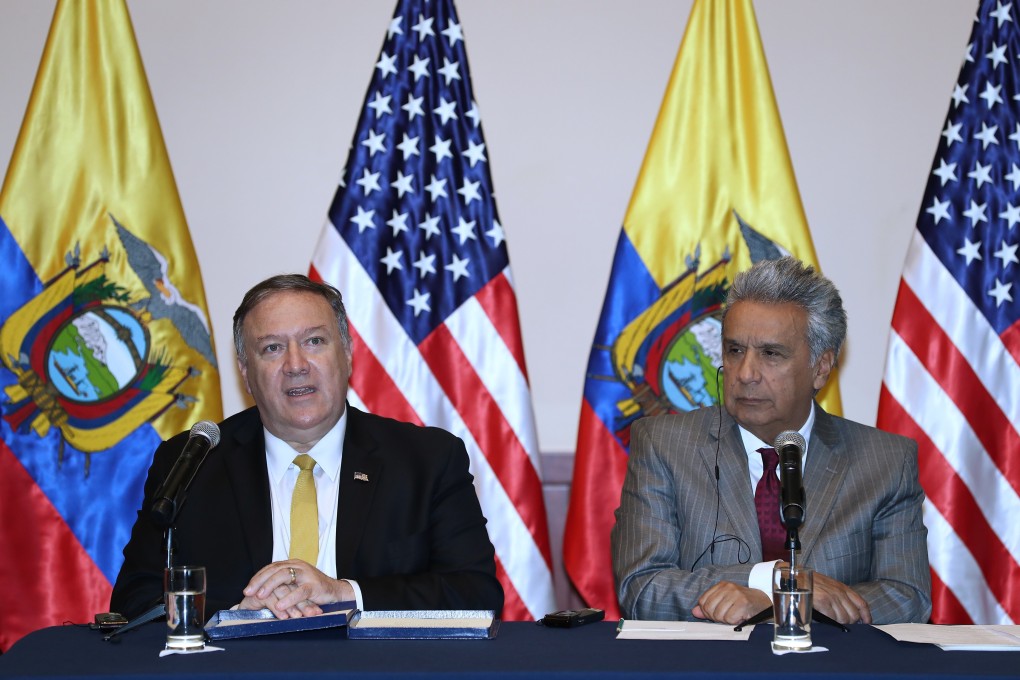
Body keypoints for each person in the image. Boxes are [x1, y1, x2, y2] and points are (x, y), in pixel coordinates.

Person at [111, 274, 503, 620]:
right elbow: (135, 598)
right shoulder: (193, 463)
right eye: (272, 348)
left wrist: (345, 593)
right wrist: (228, 619)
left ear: (347, 353)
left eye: (314, 341)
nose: (296, 364)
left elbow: (476, 593)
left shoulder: (426, 460)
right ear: (245, 371)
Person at [611, 257, 931, 625]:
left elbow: (908, 597)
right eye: (734, 351)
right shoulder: (663, 446)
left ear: (821, 367)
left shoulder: (886, 461)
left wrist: (791, 605)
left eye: (771, 354)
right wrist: (775, 582)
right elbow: (641, 589)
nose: (746, 374)